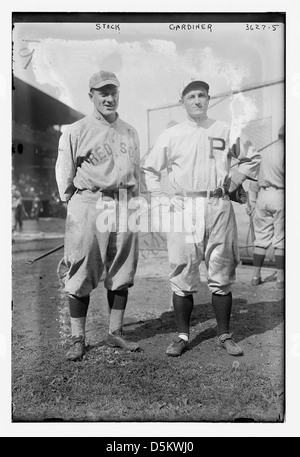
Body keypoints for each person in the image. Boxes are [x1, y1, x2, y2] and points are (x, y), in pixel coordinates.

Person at [141, 77, 261, 357]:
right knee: (183, 270)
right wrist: (162, 198)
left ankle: (224, 334)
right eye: (192, 96)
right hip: (186, 206)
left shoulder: (224, 129)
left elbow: (251, 157)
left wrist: (235, 180)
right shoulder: (172, 134)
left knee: (222, 270)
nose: (197, 101)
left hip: (218, 203)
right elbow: (149, 168)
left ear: (208, 100)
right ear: (181, 101)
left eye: (202, 96)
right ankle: (183, 335)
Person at [55, 70, 141, 361]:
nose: (109, 97)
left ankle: (115, 332)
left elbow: (136, 172)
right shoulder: (77, 129)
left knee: (122, 269)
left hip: (124, 202)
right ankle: (78, 337)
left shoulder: (130, 130)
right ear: (91, 95)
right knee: (81, 269)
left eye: (113, 91)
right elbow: (64, 173)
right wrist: (76, 204)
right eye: (102, 92)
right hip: (91, 200)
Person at [249, 125, 285, 289]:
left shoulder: (264, 151)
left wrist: (252, 201)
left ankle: (255, 277)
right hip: (280, 194)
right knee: (280, 239)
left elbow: (253, 180)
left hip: (262, 195)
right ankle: (280, 280)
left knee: (261, 239)